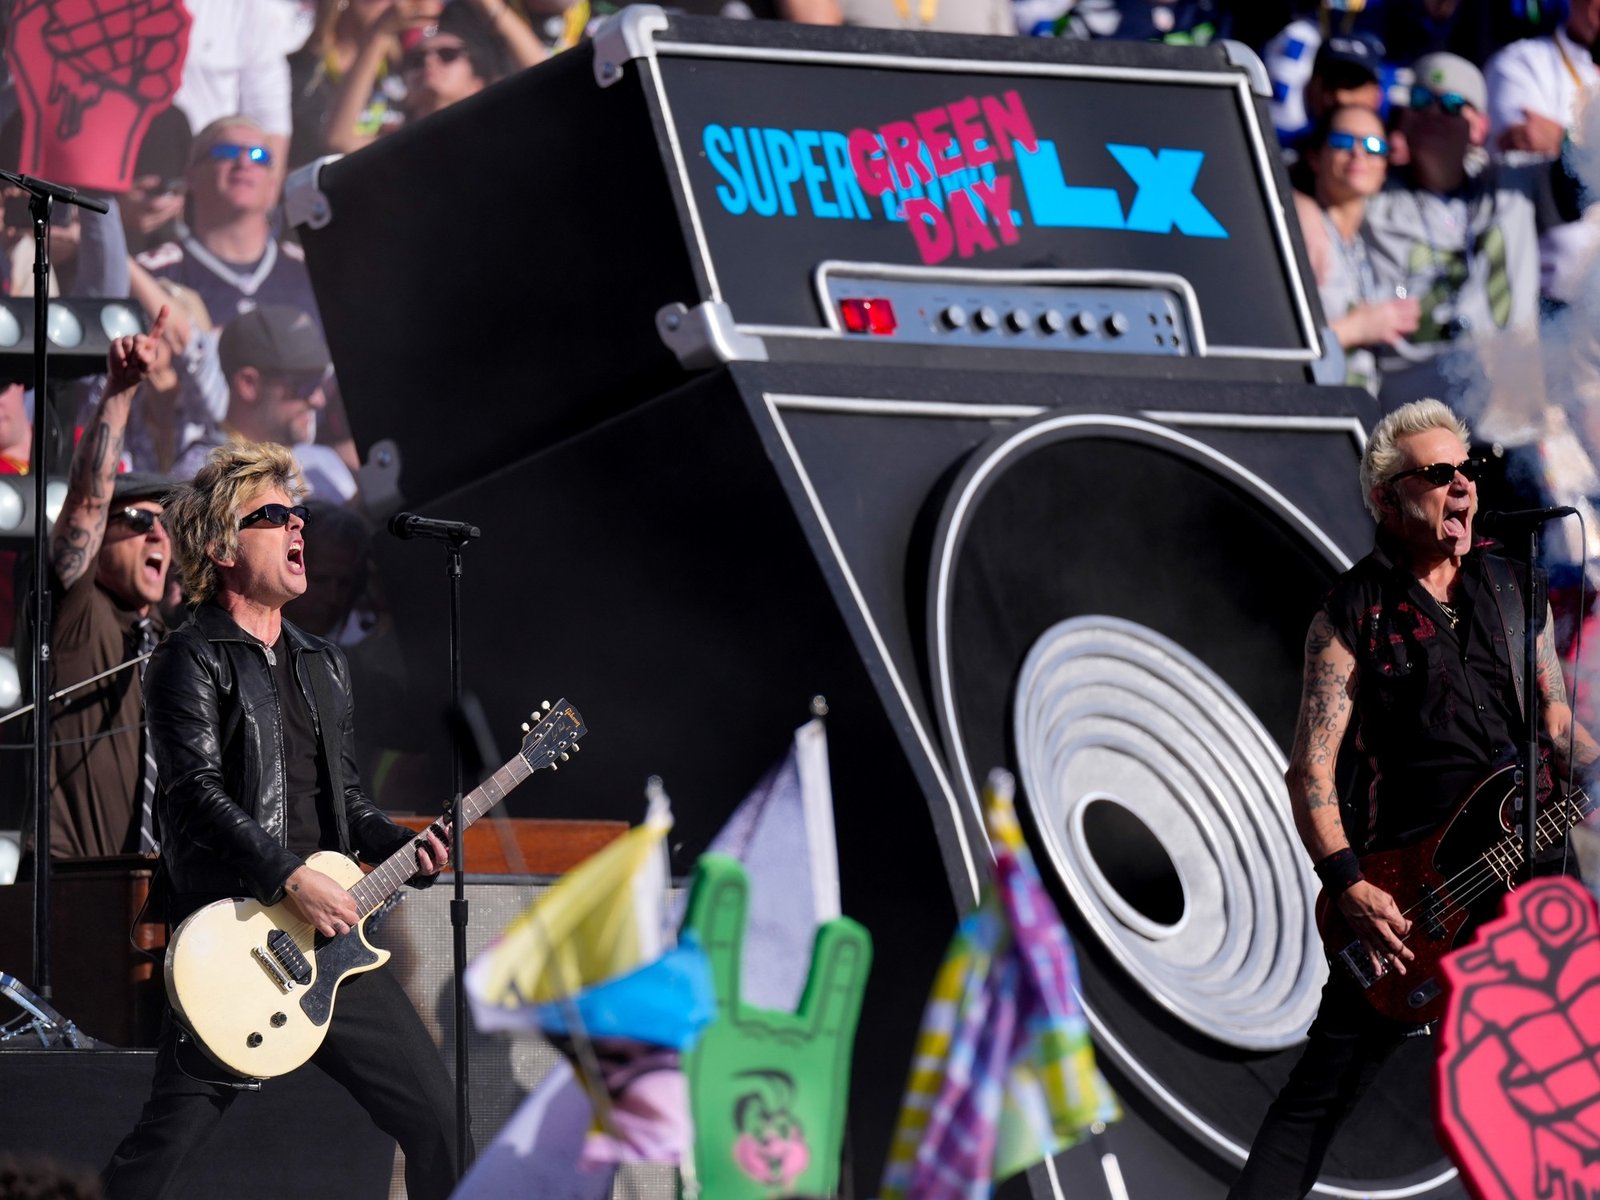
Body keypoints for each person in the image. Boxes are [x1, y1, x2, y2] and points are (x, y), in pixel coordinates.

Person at [1228, 398, 1600, 1198]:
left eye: (1465, 470)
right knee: (1319, 1099)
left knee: (1561, 1089)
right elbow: (1311, 773)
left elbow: (1558, 722)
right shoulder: (1350, 614)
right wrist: (1350, 885)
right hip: (1414, 896)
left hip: (1532, 871)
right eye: (1437, 474)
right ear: (1386, 500)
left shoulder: (1510, 587)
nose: (1461, 485)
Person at [100, 440, 458, 1199]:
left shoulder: (322, 662)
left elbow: (348, 802)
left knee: (442, 1123)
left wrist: (402, 846)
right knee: (159, 1158)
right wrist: (288, 875)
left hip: (330, 945)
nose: (298, 528)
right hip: (237, 942)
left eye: (298, 515)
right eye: (274, 516)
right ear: (223, 545)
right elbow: (193, 792)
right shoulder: (190, 657)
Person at [20, 313, 175, 861]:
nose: (157, 533)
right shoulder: (75, 611)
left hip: (159, 897)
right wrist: (121, 390)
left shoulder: (166, 637)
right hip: (74, 891)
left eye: (166, 524)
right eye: (136, 521)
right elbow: (87, 498)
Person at [1361, 53, 1554, 409]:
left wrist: (1563, 137)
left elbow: (1584, 174)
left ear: (1480, 127)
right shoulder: (1369, 197)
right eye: (1421, 100)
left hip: (1509, 432)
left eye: (1452, 104)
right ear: (1404, 117)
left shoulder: (1515, 184)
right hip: (1415, 433)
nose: (1434, 112)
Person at [1293, 105, 1420, 394]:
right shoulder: (1299, 232)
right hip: (1309, 407)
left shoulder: (1373, 239)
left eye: (1374, 146)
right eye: (1343, 142)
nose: (1359, 153)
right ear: (1315, 158)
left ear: (1385, 166)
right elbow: (1275, 345)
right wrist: (1358, 329)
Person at [171, 304, 356, 501]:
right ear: (248, 384)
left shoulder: (327, 464)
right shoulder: (207, 478)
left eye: (323, 381)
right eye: (306, 384)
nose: (319, 400)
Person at [1484, 0, 1600, 307]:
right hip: (1563, 309)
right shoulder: (1522, 62)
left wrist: (1562, 139)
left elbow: (1551, 146)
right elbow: (1527, 152)